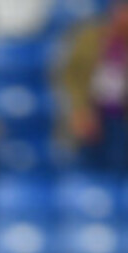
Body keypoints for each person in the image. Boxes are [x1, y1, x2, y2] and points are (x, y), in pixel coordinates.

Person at [54, 0, 128, 172]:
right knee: (89, 170)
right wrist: (79, 109)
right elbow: (69, 75)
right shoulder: (89, 37)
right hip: (91, 115)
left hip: (121, 120)